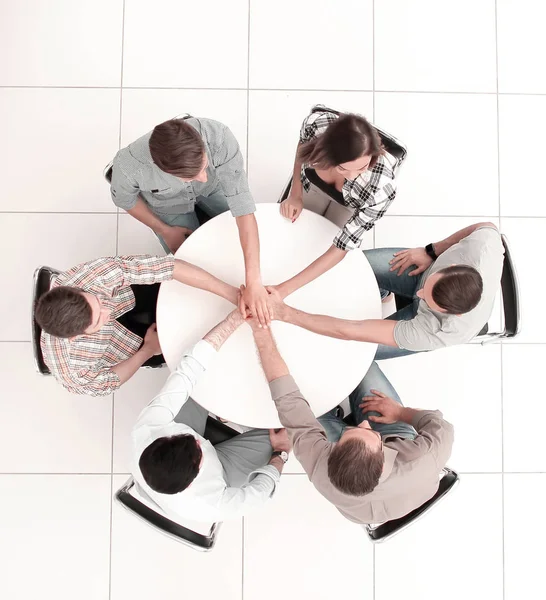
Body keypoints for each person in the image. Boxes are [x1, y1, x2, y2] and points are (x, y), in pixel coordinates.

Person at [249, 319, 454, 524]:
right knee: (359, 355)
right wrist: (399, 412)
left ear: (332, 453)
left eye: (354, 431)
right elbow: (434, 421)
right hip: (400, 445)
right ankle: (341, 412)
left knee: (306, 404)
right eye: (370, 431)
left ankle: (332, 413)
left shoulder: (322, 471)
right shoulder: (428, 454)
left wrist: (260, 332)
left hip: (385, 489)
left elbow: (288, 401)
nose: (364, 424)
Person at [110, 114, 270, 325]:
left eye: (204, 167)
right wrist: (164, 230)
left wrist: (255, 282)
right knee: (192, 263)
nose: (203, 176)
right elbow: (125, 201)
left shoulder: (219, 137)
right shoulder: (129, 166)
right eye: (191, 176)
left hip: (214, 189)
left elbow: (243, 209)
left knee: (245, 239)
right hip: (168, 204)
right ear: (163, 170)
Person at [132, 309, 291, 523]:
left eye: (181, 436)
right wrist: (280, 454)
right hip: (223, 471)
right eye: (198, 447)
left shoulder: (148, 428)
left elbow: (186, 372)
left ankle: (219, 407)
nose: (199, 440)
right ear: (197, 470)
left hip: (178, 442)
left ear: (163, 439)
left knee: (195, 382)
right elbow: (260, 495)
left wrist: (232, 320)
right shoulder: (212, 504)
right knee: (288, 430)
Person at [265, 222, 504, 359]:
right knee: (354, 265)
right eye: (426, 290)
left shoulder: (439, 331)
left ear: (453, 313)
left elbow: (352, 330)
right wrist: (431, 251)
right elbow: (486, 226)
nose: (418, 295)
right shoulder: (483, 246)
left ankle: (387, 293)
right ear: (452, 266)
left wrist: (285, 313)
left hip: (424, 324)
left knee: (357, 352)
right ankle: (383, 291)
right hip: (425, 267)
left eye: (427, 300)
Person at [36, 254, 240, 396]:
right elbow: (109, 382)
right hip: (133, 347)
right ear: (76, 337)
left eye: (97, 302)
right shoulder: (70, 369)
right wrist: (148, 350)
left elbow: (169, 267)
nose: (106, 311)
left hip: (129, 297)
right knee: (195, 349)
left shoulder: (91, 278)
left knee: (186, 295)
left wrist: (235, 295)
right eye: (98, 320)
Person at [276, 106, 402, 300]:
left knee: (326, 248)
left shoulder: (382, 188)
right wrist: (296, 192)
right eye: (343, 168)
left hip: (352, 202)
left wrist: (284, 290)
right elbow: (302, 152)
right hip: (315, 186)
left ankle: (383, 293)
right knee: (296, 232)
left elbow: (342, 246)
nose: (352, 176)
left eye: (362, 166)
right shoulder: (316, 124)